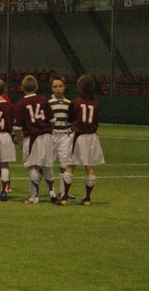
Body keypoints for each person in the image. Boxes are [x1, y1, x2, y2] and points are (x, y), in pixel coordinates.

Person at [55, 75, 105, 206]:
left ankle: (64, 197)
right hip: (92, 137)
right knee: (90, 167)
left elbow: (70, 119)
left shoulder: (75, 102)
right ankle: (87, 198)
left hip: (79, 137)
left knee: (70, 165)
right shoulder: (96, 103)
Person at [13, 75, 57, 204]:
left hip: (33, 137)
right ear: (36, 87)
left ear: (22, 88)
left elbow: (17, 127)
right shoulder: (43, 99)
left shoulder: (21, 103)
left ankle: (34, 196)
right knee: (47, 165)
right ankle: (52, 192)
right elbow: (52, 120)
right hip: (47, 136)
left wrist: (20, 141)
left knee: (33, 166)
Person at [48, 75, 75, 199]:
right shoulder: (48, 103)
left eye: (60, 86)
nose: (58, 89)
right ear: (51, 88)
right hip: (51, 136)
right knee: (48, 164)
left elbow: (71, 121)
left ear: (64, 87)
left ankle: (64, 192)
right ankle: (51, 191)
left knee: (64, 164)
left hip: (64, 136)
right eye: (55, 86)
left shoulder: (70, 103)